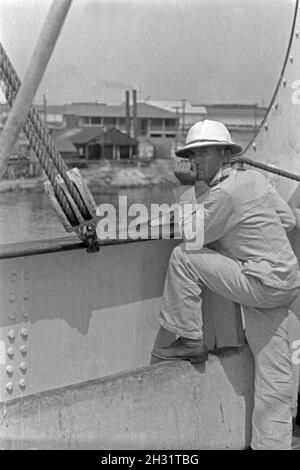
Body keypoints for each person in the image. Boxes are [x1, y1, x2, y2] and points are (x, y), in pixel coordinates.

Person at [151, 119, 300, 450]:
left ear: (224, 153)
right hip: (284, 281)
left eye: (204, 153)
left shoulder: (225, 193)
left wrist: (188, 189)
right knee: (274, 376)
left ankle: (190, 337)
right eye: (193, 154)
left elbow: (193, 237)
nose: (196, 161)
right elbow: (288, 221)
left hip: (261, 282)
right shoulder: (254, 180)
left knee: (183, 257)